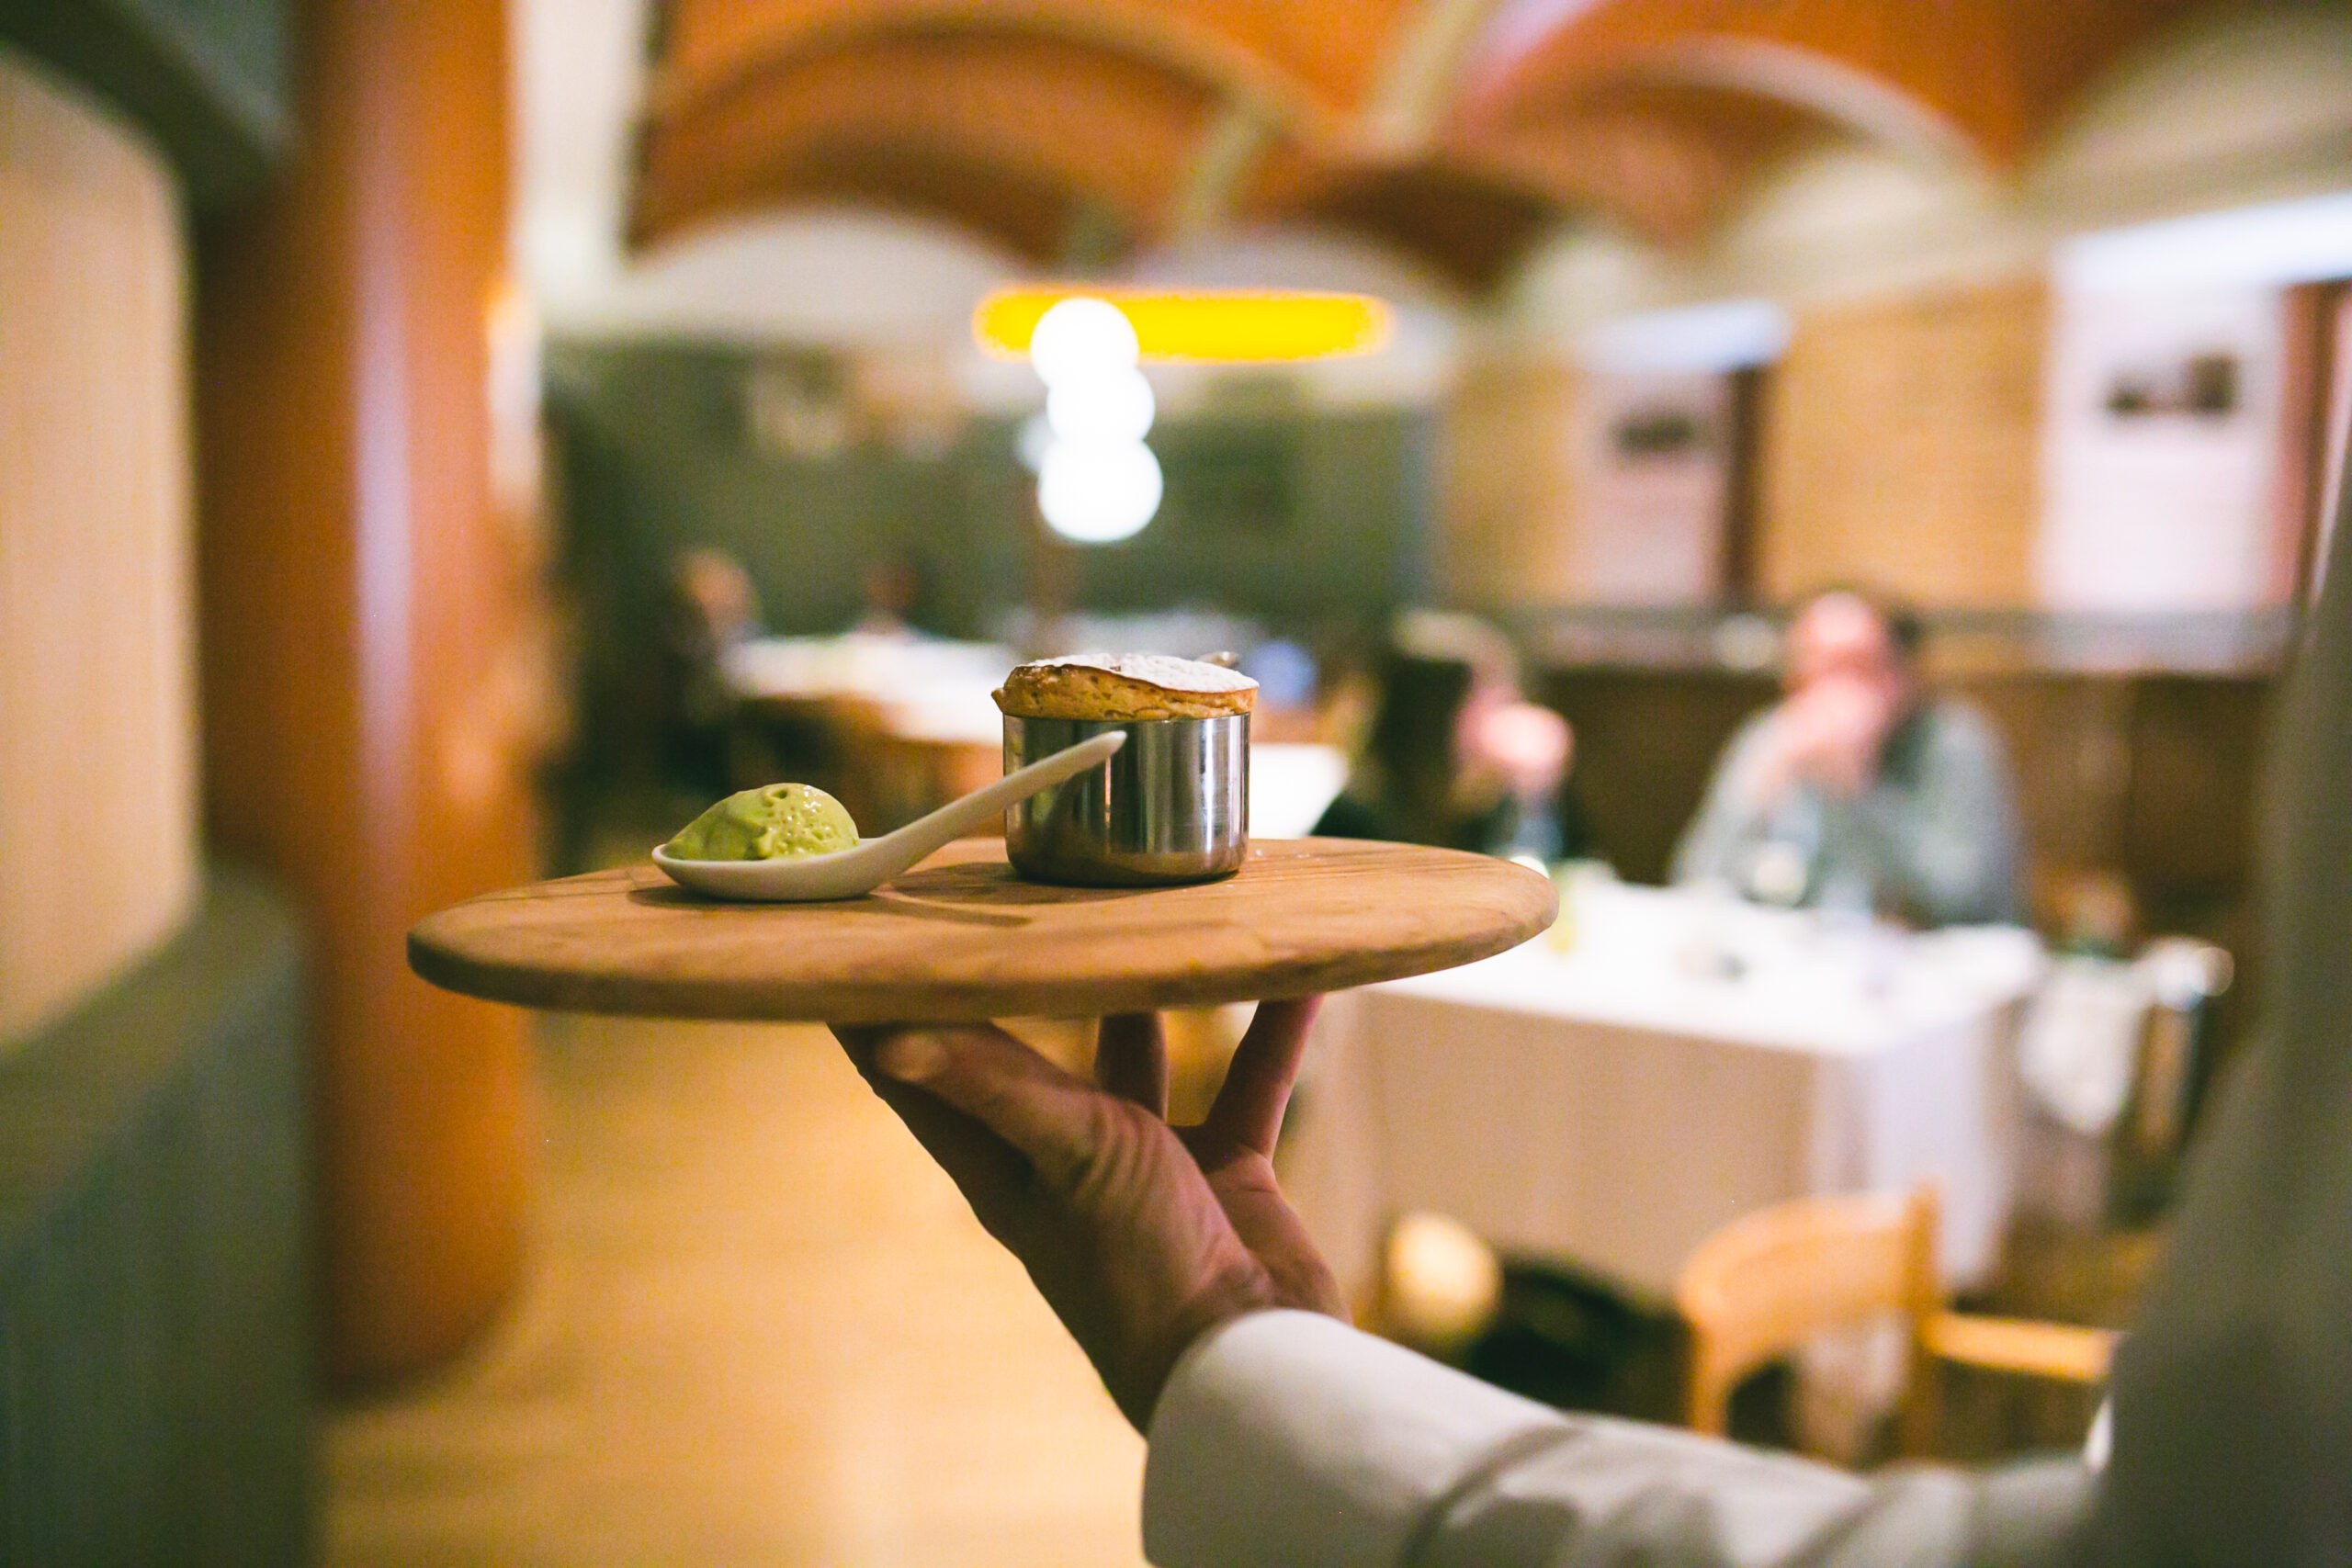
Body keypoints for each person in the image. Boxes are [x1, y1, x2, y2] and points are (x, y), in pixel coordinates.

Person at [829, 480, 2352, 1565]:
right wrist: (1772, 781)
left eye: (1842, 669)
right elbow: (1706, 874)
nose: (1813, 691)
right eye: (1803, 665)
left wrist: (1234, 1368)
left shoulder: (1948, 760)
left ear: (1897, 677)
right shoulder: (1767, 743)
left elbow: (1973, 894)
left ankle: (1737, 1341)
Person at [1672, 590, 2020, 926]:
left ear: (1904, 674)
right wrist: (1757, 798)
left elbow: (1968, 899)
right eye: (1817, 666)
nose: (1836, 690)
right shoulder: (1771, 737)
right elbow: (1696, 879)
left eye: (1859, 667)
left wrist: (1856, 794)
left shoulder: (1953, 743)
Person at [1313, 610, 1588, 865]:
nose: (1506, 710)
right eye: (1487, 697)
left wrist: (1534, 797)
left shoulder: (1472, 808)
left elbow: (1558, 868)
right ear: (1434, 716)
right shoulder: (1355, 824)